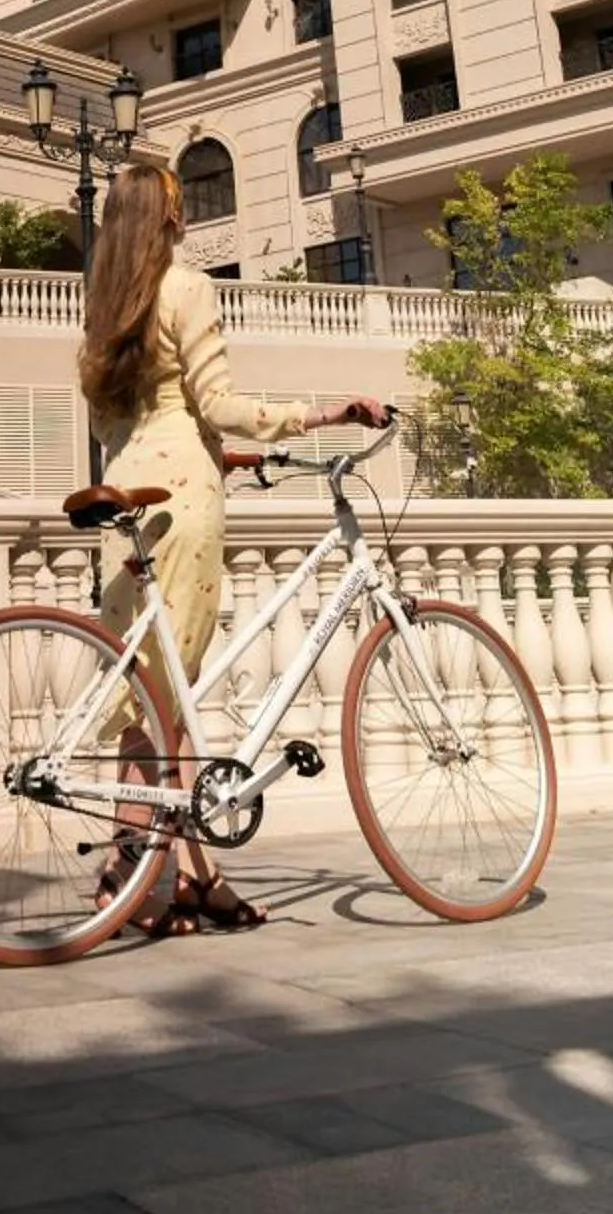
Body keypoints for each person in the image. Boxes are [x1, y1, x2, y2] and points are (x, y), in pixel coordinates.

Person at [77, 155, 384, 932]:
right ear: (170, 216)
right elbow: (216, 403)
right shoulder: (184, 286)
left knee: (155, 693)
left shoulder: (109, 302)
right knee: (164, 704)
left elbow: (131, 419)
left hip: (132, 487)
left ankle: (190, 875)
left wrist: (216, 451)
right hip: (183, 499)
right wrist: (320, 416)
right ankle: (130, 870)